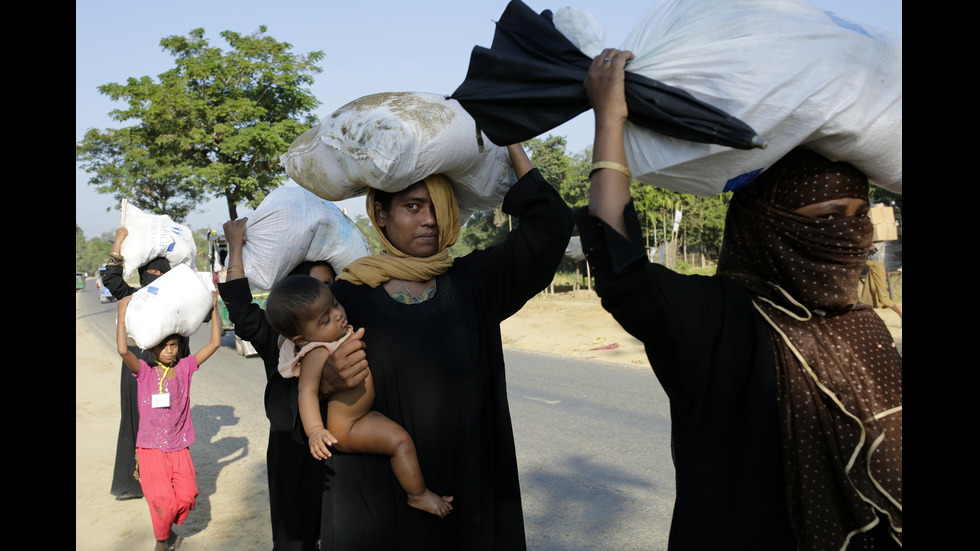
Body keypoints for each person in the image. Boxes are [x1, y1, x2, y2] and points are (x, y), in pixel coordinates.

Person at [576, 49, 902, 550]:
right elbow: (625, 275)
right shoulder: (721, 319)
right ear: (768, 223)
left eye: (858, 215)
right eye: (829, 215)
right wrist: (610, 120)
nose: (847, 233)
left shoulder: (863, 327)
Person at [309, 143, 573, 549]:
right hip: (382, 512)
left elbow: (549, 228)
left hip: (468, 499)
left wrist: (512, 143)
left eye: (438, 206)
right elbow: (292, 388)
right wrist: (325, 380)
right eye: (413, 207)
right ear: (380, 214)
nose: (430, 220)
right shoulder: (345, 299)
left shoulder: (474, 282)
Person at [266, 275, 454, 518]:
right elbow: (307, 391)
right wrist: (315, 431)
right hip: (349, 427)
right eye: (325, 320)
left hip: (363, 414)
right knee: (400, 442)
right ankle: (418, 495)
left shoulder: (329, 334)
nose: (336, 314)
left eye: (334, 303)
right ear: (303, 339)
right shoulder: (317, 350)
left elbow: (285, 338)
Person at [218, 219, 346, 551]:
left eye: (330, 287)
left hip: (344, 447)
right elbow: (241, 307)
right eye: (312, 288)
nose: (323, 296)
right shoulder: (277, 338)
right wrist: (235, 246)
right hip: (294, 452)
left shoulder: (348, 332)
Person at [115, 291, 221, 551]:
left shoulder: (185, 368)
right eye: (163, 346)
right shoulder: (144, 372)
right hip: (150, 448)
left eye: (173, 345)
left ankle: (167, 528)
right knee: (162, 500)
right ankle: (162, 540)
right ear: (152, 348)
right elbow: (122, 350)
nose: (168, 350)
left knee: (186, 496)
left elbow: (215, 344)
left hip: (179, 446)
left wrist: (215, 308)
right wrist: (120, 315)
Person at [104, 226, 191, 500]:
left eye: (161, 273)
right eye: (151, 272)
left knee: (171, 423)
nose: (155, 277)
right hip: (136, 368)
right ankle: (133, 481)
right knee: (134, 419)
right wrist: (119, 242)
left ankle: (169, 478)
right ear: (142, 273)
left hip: (168, 371)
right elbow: (111, 277)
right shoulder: (132, 297)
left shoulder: (177, 301)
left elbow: (190, 328)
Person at [861, 245, 903, 325]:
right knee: (868, 294)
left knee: (883, 298)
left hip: (878, 269)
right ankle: (869, 320)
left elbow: (871, 247)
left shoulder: (880, 243)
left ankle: (901, 315)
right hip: (871, 268)